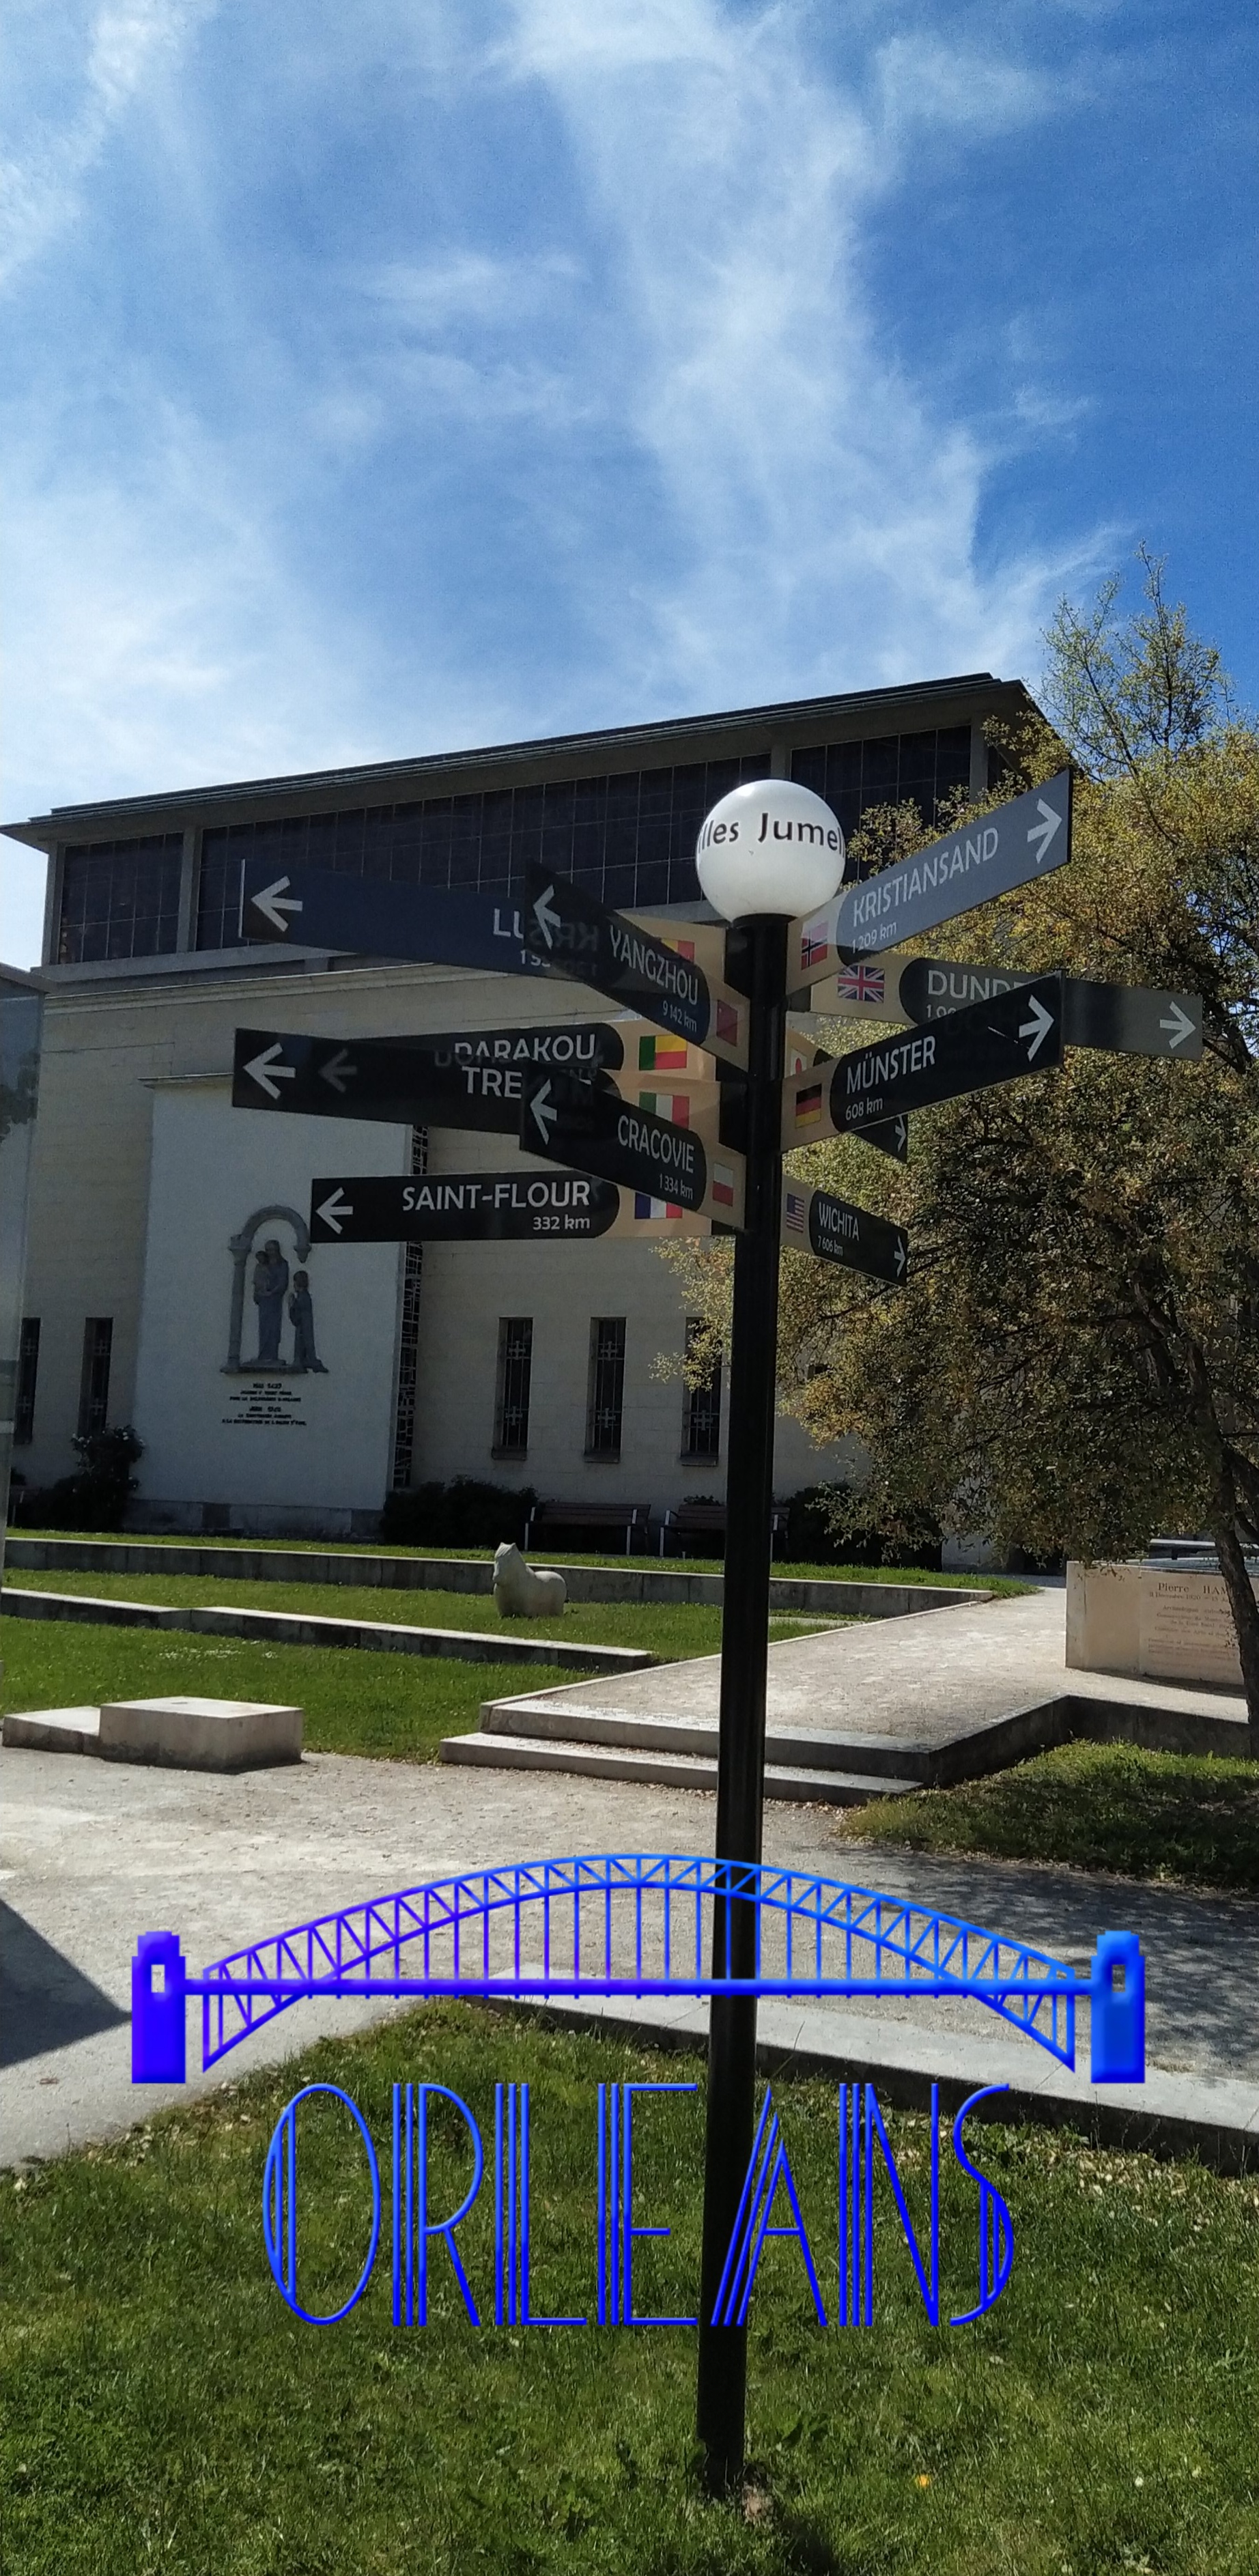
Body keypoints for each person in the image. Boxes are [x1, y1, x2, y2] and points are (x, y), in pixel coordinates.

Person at [251, 1239, 289, 1366]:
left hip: (274, 1301)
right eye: (267, 1250)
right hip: (264, 1302)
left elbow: (283, 1283)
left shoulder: (282, 1264)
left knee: (273, 1328)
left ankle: (272, 1355)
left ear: (277, 1250)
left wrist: (272, 1292)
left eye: (272, 1250)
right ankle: (263, 1355)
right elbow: (258, 1281)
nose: (270, 1253)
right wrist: (258, 1293)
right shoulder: (263, 1266)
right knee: (264, 1328)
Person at [287, 1271, 326, 1373]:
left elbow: (296, 1319)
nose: (293, 1286)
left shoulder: (302, 1299)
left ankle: (306, 1362)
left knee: (303, 1346)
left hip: (303, 1330)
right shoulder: (305, 1297)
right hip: (305, 1329)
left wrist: (291, 1306)